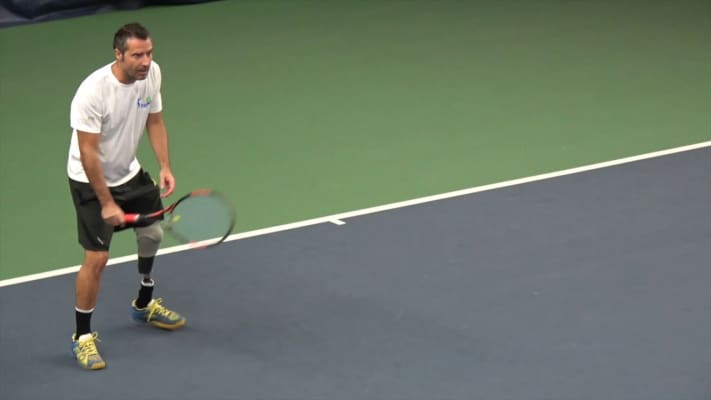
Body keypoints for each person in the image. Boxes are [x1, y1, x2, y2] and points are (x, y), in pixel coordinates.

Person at [67, 22, 185, 370]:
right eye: (137, 55)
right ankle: (82, 337)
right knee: (97, 258)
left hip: (129, 172)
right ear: (118, 54)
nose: (145, 61)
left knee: (153, 232)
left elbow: (154, 121)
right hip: (89, 179)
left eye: (149, 53)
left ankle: (144, 303)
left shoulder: (152, 75)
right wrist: (106, 202)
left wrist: (164, 165)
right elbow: (88, 153)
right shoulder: (93, 92)